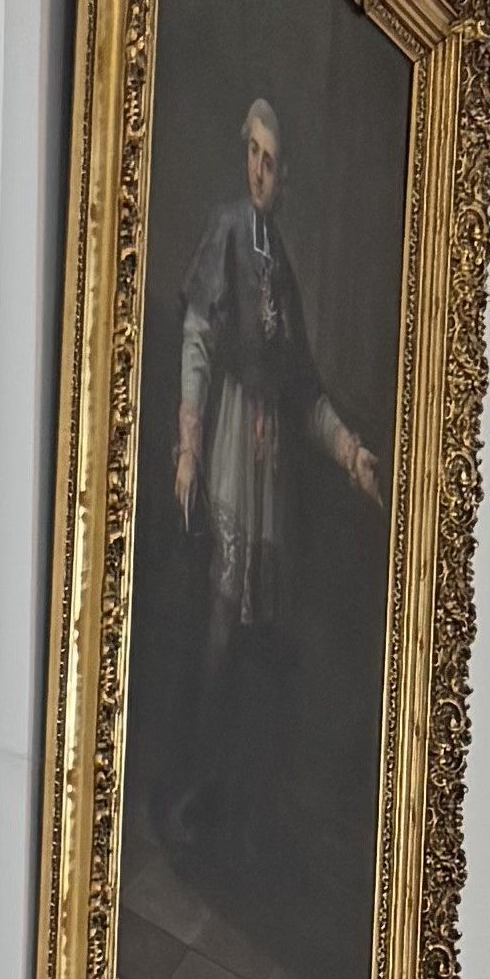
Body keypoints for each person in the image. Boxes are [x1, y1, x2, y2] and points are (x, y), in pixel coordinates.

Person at [168, 91, 385, 886]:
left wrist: (350, 453)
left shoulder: (282, 266)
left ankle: (240, 811)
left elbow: (304, 391)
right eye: (252, 155)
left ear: (284, 174)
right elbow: (197, 338)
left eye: (271, 161)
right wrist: (188, 445)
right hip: (228, 443)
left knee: (261, 639)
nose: (259, 171)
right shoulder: (227, 231)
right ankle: (190, 796)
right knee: (218, 622)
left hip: (271, 472)